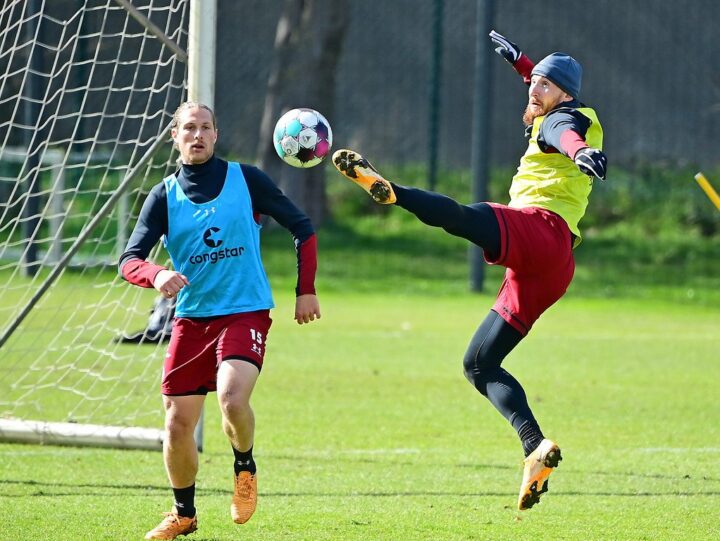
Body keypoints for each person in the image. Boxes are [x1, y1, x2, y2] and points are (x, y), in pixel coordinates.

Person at [331, 30, 607, 511]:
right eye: (532, 82)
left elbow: (561, 132)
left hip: (539, 231)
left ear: (563, 93)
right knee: (478, 364)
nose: (532, 90)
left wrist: (578, 151)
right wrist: (522, 62)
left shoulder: (563, 120)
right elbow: (552, 99)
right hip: (552, 266)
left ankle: (390, 190)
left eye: (542, 85)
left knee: (461, 216)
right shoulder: (563, 103)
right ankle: (534, 448)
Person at [119, 101, 321, 540]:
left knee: (231, 397)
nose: (197, 135)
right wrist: (158, 274)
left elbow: (303, 228)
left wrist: (305, 289)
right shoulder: (163, 196)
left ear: (216, 134)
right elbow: (129, 260)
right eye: (188, 128)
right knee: (176, 423)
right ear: (175, 136)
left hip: (244, 310)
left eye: (205, 127)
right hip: (191, 320)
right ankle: (184, 514)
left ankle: (245, 467)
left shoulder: (246, 180)